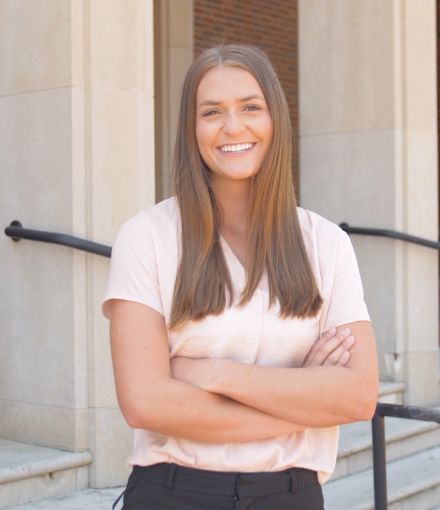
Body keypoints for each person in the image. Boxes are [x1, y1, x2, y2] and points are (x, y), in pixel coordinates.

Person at [102, 43, 379, 510]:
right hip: (174, 493)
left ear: (276, 118)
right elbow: (145, 404)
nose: (233, 127)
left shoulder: (326, 243)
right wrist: (303, 399)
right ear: (192, 129)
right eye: (212, 112)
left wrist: (214, 374)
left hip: (292, 496)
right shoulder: (146, 237)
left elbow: (356, 397)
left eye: (251, 107)